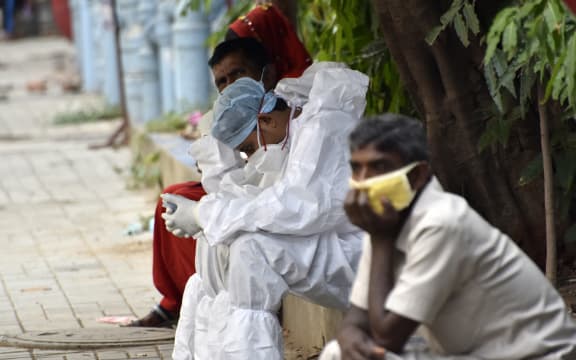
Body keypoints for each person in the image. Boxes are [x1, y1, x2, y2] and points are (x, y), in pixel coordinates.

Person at [318, 114, 576, 360]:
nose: (364, 182)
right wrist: (349, 334)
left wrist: (380, 240)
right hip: (476, 352)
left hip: (537, 354)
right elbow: (357, 317)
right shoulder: (386, 220)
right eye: (357, 169)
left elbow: (388, 336)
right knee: (340, 353)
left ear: (417, 175)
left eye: (379, 167)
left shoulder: (442, 222)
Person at [163, 63, 369, 359]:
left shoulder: (323, 129)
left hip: (370, 251)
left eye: (247, 147)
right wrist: (206, 216)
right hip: (334, 241)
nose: (250, 157)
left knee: (250, 250)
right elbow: (261, 199)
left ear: (267, 120)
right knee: (213, 243)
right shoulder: (289, 131)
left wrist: (205, 214)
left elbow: (297, 208)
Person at [129, 2, 313, 327]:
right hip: (245, 195)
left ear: (266, 71)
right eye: (222, 82)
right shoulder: (230, 110)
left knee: (229, 238)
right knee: (174, 202)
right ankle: (178, 302)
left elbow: (282, 188)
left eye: (238, 75)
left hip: (275, 202)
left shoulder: (300, 106)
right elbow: (226, 178)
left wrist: (209, 209)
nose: (230, 88)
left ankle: (236, 310)